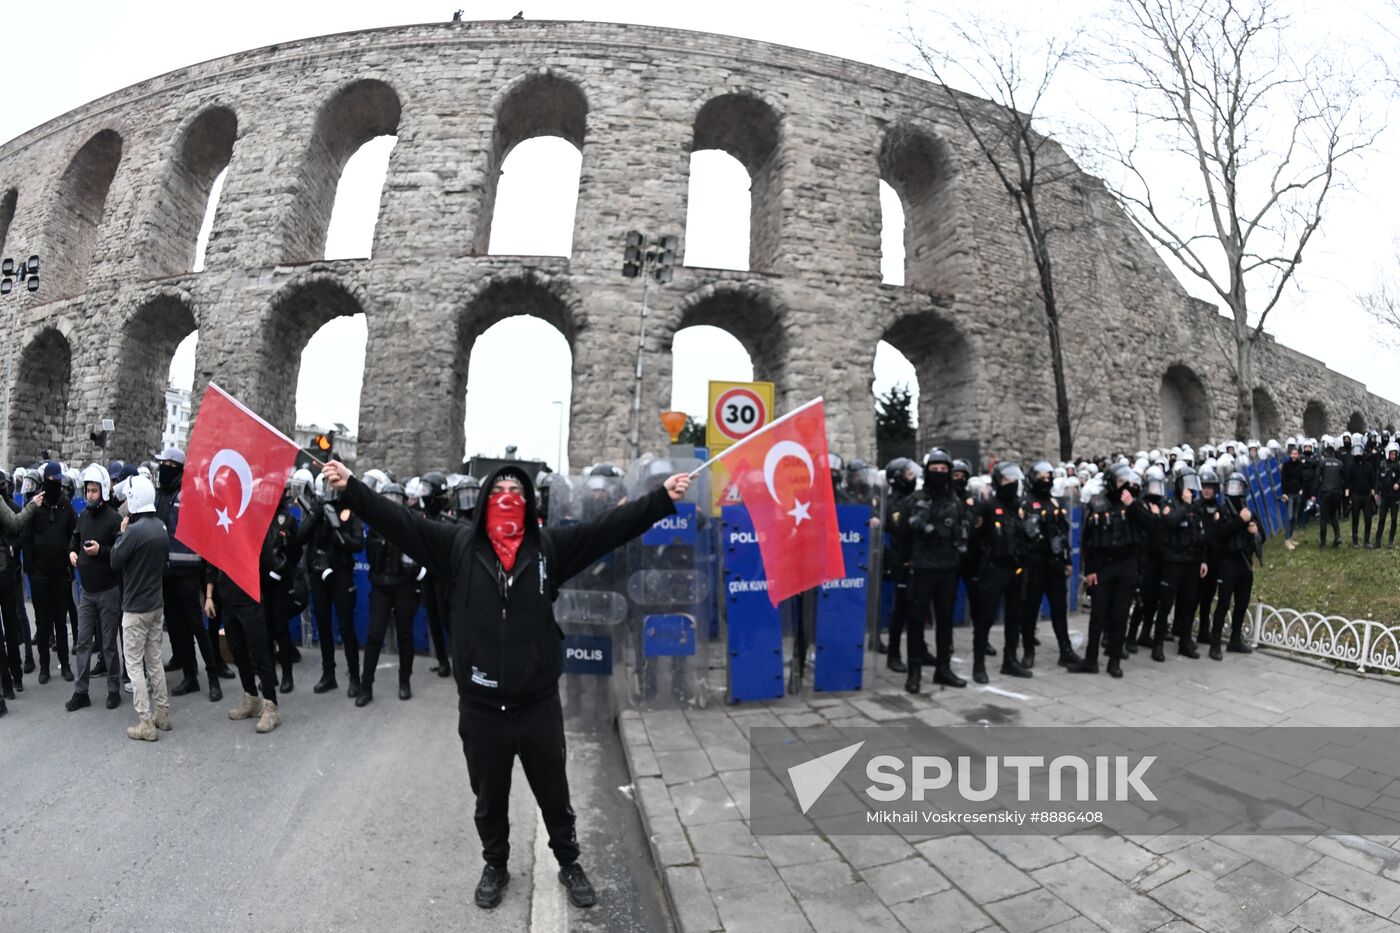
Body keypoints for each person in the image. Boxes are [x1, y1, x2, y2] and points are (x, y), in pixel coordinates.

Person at [320, 457, 689, 911]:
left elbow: (607, 530)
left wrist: (659, 500)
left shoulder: (548, 550)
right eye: (498, 491)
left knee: (554, 794)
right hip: (480, 706)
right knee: (489, 799)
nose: (507, 498)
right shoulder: (457, 547)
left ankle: (569, 861)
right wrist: (352, 488)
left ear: (529, 502)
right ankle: (495, 864)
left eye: (517, 491)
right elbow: (399, 522)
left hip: (537, 705)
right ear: (484, 502)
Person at [155, 447, 226, 702]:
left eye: (165, 463)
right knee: (176, 627)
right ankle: (190, 676)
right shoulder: (160, 495)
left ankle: (214, 677)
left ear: (175, 466)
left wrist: (207, 584)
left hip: (188, 574)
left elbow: (205, 539)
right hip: (166, 574)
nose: (161, 468)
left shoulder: (191, 494)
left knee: (197, 626)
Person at [110, 476, 172, 741]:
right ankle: (162, 713)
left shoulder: (134, 531)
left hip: (135, 608)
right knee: (154, 659)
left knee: (134, 664)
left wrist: (122, 534)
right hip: (156, 604)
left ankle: (145, 721)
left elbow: (115, 560)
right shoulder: (161, 527)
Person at [1070, 465, 1147, 678]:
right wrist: (1091, 570)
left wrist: (1133, 506)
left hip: (1126, 566)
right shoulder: (1097, 504)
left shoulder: (1133, 504)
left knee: (1120, 615)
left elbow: (1149, 528)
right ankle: (1091, 660)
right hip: (1103, 567)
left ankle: (1114, 661)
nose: (1126, 485)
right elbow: (1088, 540)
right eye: (1121, 481)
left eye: (1127, 481)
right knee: (1098, 615)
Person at [906, 449, 970, 691]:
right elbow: (907, 530)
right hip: (922, 567)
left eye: (944, 470)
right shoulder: (917, 498)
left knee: (945, 621)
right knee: (915, 621)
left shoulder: (954, 500)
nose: (940, 474)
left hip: (948, 567)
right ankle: (914, 672)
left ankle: (943, 669)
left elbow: (964, 526)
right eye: (935, 470)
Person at [299, 472, 365, 697]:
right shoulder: (315, 509)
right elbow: (301, 537)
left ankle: (355, 677)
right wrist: (316, 515)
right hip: (318, 574)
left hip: (341, 573)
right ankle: (329, 675)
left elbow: (358, 543)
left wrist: (341, 539)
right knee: (324, 626)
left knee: (346, 627)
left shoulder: (348, 509)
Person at [66, 464, 124, 711]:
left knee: (109, 644)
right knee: (83, 643)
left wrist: (102, 551)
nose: (90, 495)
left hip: (109, 591)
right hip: (87, 591)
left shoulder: (114, 519)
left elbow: (121, 554)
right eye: (87, 490)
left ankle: (113, 689)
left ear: (103, 491)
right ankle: (81, 691)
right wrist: (71, 552)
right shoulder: (84, 516)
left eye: (94, 490)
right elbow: (75, 538)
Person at [359, 481, 422, 705]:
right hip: (380, 585)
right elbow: (371, 555)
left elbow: (419, 556)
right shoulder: (375, 526)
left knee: (405, 635)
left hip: (404, 585)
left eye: (396, 500)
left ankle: (404, 682)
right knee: (374, 635)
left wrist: (413, 568)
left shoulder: (410, 523)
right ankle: (366, 686)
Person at [969, 462, 1031, 683]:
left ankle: (1010, 660)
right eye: (1006, 480)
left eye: (1014, 480)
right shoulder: (986, 507)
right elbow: (974, 540)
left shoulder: (1019, 507)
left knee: (1014, 617)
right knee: (985, 618)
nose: (1011, 484)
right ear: (997, 483)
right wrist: (978, 570)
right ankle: (978, 665)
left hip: (1016, 569)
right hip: (994, 569)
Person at [20, 461, 76, 684]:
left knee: (60, 622)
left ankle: (65, 664)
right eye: (52, 480)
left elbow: (74, 535)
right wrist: (31, 570)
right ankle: (44, 666)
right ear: (45, 480)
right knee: (43, 622)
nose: (56, 484)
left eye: (58, 481)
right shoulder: (36, 505)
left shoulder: (65, 506)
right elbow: (27, 539)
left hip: (60, 573)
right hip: (40, 574)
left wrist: (70, 565)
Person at [1019, 461, 1078, 668]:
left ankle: (1066, 650)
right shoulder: (1025, 504)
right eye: (1041, 478)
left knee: (1059, 609)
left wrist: (1067, 561)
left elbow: (1063, 535)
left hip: (1054, 564)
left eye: (1048, 478)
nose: (1046, 481)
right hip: (1034, 565)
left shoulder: (1055, 503)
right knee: (1030, 610)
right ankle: (1028, 651)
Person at [1153, 467, 1208, 660]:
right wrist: (1184, 505)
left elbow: (1201, 534)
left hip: (1192, 561)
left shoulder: (1196, 505)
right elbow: (1171, 522)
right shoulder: (1170, 503)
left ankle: (1185, 641)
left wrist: (1202, 560)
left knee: (1188, 602)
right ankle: (1158, 642)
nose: (1191, 489)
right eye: (1187, 484)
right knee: (1166, 603)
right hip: (1173, 560)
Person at [1207, 472, 1260, 660]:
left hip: (1245, 563)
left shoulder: (1248, 510)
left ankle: (1235, 639)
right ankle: (1214, 643)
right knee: (1223, 603)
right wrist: (1240, 521)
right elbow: (1219, 533)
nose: (1236, 491)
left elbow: (1259, 533)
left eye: (1239, 487)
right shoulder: (1222, 510)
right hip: (1228, 563)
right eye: (1233, 486)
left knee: (1242, 603)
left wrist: (1254, 530)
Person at [0, 483, 40, 714]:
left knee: (10, 623)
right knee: (11, 622)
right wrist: (33, 506)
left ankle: (9, 680)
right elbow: (15, 522)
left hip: (5, 570)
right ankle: (12, 680)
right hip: (4, 570)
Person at [880, 458, 919, 674]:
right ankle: (893, 654)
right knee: (901, 609)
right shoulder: (893, 503)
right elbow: (898, 530)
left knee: (920, 608)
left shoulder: (915, 499)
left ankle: (920, 649)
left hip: (919, 559)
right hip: (901, 561)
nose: (913, 478)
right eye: (909, 474)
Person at [1315, 442, 1345, 548]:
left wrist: (1315, 493)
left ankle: (1323, 543)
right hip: (1337, 493)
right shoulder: (1340, 463)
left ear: (1326, 453)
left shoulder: (1322, 463)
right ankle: (1338, 537)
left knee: (1324, 518)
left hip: (1325, 493)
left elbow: (1317, 478)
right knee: (1333, 516)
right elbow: (1343, 478)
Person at [1346, 444, 1377, 548]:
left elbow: (1372, 483)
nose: (1358, 454)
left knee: (1368, 518)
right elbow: (1347, 483)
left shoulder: (1368, 466)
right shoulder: (1351, 467)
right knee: (1355, 518)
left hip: (1366, 496)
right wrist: (1347, 498)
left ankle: (1367, 541)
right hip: (1355, 496)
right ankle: (1355, 541)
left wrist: (1373, 497)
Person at [1280, 444, 1306, 550]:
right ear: (1290, 455)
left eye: (1296, 454)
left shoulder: (1300, 465)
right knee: (1290, 517)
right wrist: (1284, 493)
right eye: (1293, 454)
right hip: (1289, 494)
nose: (1294, 456)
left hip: (1297, 493)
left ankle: (1290, 538)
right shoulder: (1286, 465)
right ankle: (1287, 540)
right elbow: (1283, 480)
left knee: (1294, 517)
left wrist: (1301, 489)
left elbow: (1302, 479)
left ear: (1298, 455)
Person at [1375, 442, 1400, 549]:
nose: (1393, 456)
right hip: (1384, 496)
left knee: (1394, 518)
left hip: (1395, 496)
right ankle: (1378, 541)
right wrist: (1376, 492)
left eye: (1395, 454)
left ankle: (1391, 541)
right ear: (1387, 454)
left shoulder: (1398, 465)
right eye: (1391, 454)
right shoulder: (1382, 464)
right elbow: (1378, 479)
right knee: (1382, 518)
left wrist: (1398, 484)